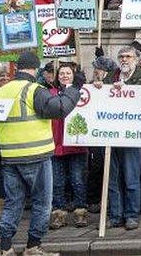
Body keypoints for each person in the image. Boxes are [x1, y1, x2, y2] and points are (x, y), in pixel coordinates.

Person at [0, 51, 81, 256]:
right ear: (35, 69)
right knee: (42, 203)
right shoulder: (34, 89)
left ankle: (6, 247)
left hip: (9, 157)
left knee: (12, 203)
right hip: (36, 155)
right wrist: (74, 90)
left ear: (17, 68)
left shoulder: (2, 91)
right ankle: (33, 246)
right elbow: (60, 109)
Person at [95, 47, 141, 230]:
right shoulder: (111, 76)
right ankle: (115, 215)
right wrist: (98, 88)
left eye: (128, 56)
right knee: (112, 179)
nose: (124, 59)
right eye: (121, 57)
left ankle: (131, 215)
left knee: (131, 178)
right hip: (111, 135)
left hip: (131, 136)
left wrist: (127, 90)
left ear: (136, 59)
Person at [48, 63, 88, 230]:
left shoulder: (83, 92)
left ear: (73, 75)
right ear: (57, 76)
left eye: (68, 73)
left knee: (77, 180)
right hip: (56, 144)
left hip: (76, 145)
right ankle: (58, 214)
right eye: (62, 73)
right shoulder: (50, 93)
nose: (64, 76)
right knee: (57, 182)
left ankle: (81, 212)